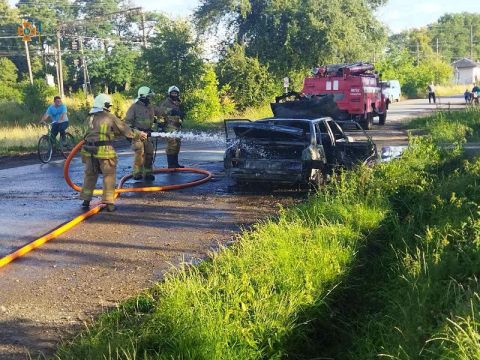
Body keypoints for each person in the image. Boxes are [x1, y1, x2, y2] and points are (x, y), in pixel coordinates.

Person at [80, 94, 147, 212]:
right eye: (108, 105)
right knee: (109, 176)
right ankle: (109, 203)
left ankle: (86, 200)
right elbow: (125, 129)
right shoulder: (109, 117)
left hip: (88, 151)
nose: (109, 108)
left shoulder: (89, 118)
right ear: (104, 105)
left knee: (90, 175)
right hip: (104, 151)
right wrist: (139, 134)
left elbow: (93, 133)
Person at [125, 86, 162, 181]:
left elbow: (161, 112)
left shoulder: (150, 106)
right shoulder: (133, 107)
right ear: (143, 96)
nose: (150, 98)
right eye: (149, 96)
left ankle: (148, 173)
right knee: (139, 154)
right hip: (138, 135)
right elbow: (127, 125)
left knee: (149, 154)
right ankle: (137, 173)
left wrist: (171, 112)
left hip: (148, 134)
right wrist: (138, 133)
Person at [158, 86, 185, 168]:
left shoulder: (177, 103)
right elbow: (160, 113)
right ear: (169, 94)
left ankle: (175, 163)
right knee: (172, 145)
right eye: (172, 93)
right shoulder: (166, 103)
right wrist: (161, 126)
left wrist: (180, 117)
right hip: (168, 127)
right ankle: (170, 165)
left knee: (177, 145)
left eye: (175, 93)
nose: (174, 94)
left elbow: (177, 115)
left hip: (176, 127)